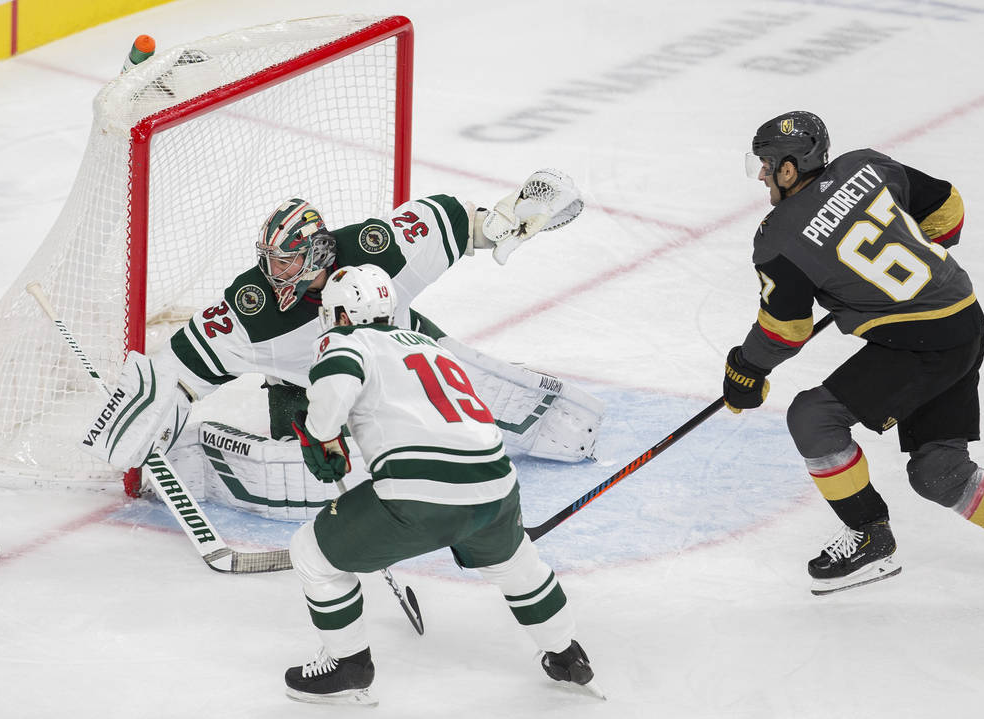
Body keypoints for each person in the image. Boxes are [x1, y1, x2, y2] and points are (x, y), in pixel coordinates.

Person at [77, 170, 605, 509]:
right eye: (269, 259)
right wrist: (151, 406)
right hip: (306, 390)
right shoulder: (252, 307)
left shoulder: (376, 247)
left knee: (524, 409)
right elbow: (183, 365)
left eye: (284, 260)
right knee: (313, 482)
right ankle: (205, 463)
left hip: (402, 356)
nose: (272, 270)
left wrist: (511, 217)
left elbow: (463, 225)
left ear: (314, 253)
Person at [283, 265, 599, 705]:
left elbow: (334, 390)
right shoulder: (430, 345)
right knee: (516, 564)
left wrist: (320, 433)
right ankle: (567, 654)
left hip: (418, 499)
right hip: (498, 488)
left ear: (341, 315)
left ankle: (349, 665)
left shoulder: (347, 341)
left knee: (311, 554)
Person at [724, 110, 984, 596]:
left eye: (766, 163)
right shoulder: (866, 166)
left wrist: (745, 371)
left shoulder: (778, 238)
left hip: (921, 344)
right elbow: (948, 207)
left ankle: (870, 535)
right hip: (966, 322)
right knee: (940, 474)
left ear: (789, 168)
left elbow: (786, 329)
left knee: (813, 418)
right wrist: (912, 254)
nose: (762, 173)